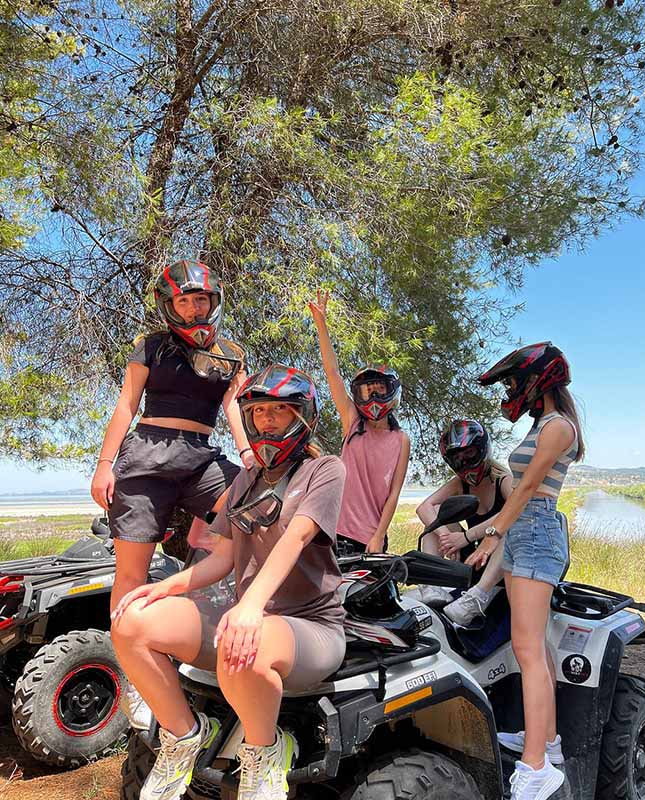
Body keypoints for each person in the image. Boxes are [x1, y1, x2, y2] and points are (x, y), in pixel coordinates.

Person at [110, 364, 347, 800]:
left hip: (311, 626)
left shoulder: (325, 469)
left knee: (246, 644)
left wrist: (251, 605)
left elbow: (296, 537)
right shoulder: (246, 480)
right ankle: (184, 736)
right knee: (131, 622)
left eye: (279, 409)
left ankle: (266, 752)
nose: (267, 420)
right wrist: (165, 587)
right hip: (248, 619)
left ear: (304, 414)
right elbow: (222, 556)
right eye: (258, 411)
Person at [90, 259, 252, 727]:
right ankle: (136, 677)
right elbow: (126, 405)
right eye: (184, 300)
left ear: (214, 301)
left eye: (201, 299)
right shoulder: (150, 346)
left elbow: (236, 407)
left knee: (252, 506)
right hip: (145, 455)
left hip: (201, 457)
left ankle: (240, 622)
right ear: (169, 305)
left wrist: (248, 453)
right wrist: (104, 465)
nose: (194, 307)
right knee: (130, 575)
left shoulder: (231, 353)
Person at [466, 342, 584, 800]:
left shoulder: (559, 426)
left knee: (528, 648)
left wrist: (492, 534)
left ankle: (536, 768)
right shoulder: (542, 424)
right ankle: (546, 741)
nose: (511, 390)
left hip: (535, 531)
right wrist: (499, 534)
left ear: (539, 381)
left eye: (515, 382)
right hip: (523, 533)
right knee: (534, 646)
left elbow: (530, 485)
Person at [309, 290, 410, 553]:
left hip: (371, 539)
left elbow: (394, 493)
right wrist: (321, 324)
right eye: (367, 391)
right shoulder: (352, 421)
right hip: (335, 531)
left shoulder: (401, 440)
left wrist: (379, 536)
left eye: (379, 390)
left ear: (392, 392)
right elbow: (332, 373)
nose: (373, 397)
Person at [415, 419, 512, 622]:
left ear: (482, 449)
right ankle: (431, 585)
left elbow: (514, 512)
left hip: (499, 560)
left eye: (469, 453)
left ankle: (479, 595)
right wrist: (447, 538)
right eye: (457, 458)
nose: (465, 462)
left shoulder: (503, 479)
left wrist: (466, 537)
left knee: (514, 529)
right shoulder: (460, 483)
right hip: (472, 558)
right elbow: (424, 507)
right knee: (435, 516)